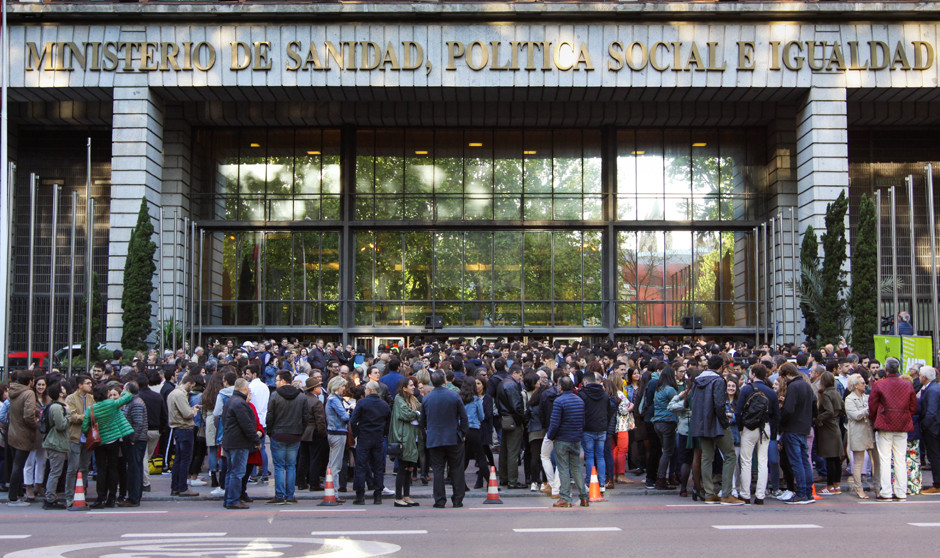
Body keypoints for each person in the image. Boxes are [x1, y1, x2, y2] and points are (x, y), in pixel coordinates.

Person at [690, 355, 742, 505]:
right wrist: (724, 421)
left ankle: (709, 493)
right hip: (717, 424)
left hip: (701, 424)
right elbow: (719, 404)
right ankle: (726, 493)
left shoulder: (698, 380)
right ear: (721, 367)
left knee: (707, 457)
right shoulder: (718, 380)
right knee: (730, 455)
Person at [869, 357, 917, 500]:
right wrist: (905, 415)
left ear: (886, 369)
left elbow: (872, 406)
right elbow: (913, 406)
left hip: (885, 423)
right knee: (900, 459)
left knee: (884, 459)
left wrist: (875, 419)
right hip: (902, 424)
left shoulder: (879, 385)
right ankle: (901, 491)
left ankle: (886, 491)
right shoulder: (907, 385)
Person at [420, 371, 468, 508]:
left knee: (438, 470)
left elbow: (422, 421)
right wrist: (462, 432)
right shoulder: (454, 396)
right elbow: (464, 417)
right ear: (444, 381)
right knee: (456, 469)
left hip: (435, 438)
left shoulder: (427, 398)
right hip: (453, 437)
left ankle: (440, 499)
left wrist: (427, 432)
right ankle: (458, 499)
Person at [82, 384, 134, 508]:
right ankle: (111, 498)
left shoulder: (91, 409)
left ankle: (100, 498)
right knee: (113, 469)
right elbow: (128, 397)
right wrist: (124, 391)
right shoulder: (112, 403)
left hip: (99, 442)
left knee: (101, 470)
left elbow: (85, 427)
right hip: (114, 440)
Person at [735, 363, 779, 505]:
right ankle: (760, 495)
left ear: (753, 374)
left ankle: (745, 494)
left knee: (746, 460)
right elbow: (776, 415)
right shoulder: (771, 392)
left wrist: (741, 427)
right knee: (763, 461)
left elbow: (738, 411)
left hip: (749, 427)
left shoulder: (747, 389)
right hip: (765, 427)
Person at [266, 370, 309, 505]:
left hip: (278, 433)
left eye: (277, 380)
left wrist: (270, 430)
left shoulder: (275, 396)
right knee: (291, 466)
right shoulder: (301, 397)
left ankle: (280, 494)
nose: (276, 382)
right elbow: (305, 417)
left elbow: (270, 416)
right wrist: (301, 430)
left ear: (283, 381)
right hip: (295, 434)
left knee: (279, 466)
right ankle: (290, 495)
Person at [778, 362, 817, 504]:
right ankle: (807, 492)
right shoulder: (806, 385)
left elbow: (788, 410)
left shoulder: (793, 386)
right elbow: (814, 405)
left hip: (792, 428)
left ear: (787, 374)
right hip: (804, 427)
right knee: (805, 461)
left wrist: (781, 420)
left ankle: (800, 493)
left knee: (797, 462)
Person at [546, 376, 587, 508]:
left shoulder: (559, 401)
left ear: (560, 387)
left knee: (563, 468)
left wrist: (550, 436)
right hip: (576, 438)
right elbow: (583, 421)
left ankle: (565, 498)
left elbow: (555, 423)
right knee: (576, 468)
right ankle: (584, 497)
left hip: (562, 438)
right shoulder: (579, 400)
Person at [221, 378, 260, 510]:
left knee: (231, 472)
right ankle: (233, 499)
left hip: (229, 440)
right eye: (248, 387)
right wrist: (255, 439)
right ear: (244, 388)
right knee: (237, 472)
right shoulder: (240, 403)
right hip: (239, 442)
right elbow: (247, 425)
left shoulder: (230, 401)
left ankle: (229, 498)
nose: (249, 390)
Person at [350, 381, 391, 505]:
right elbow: (388, 422)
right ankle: (378, 496)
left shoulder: (362, 403)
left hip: (364, 437)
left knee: (361, 466)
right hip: (378, 437)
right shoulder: (384, 404)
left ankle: (360, 496)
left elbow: (353, 421)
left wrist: (357, 433)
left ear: (369, 390)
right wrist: (383, 433)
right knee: (378, 467)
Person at [6, 370, 38, 506]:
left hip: (13, 431)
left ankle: (17, 493)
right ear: (30, 381)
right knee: (19, 465)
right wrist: (35, 424)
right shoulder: (28, 393)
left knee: (16, 464)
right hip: (24, 433)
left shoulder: (13, 391)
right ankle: (13, 496)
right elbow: (28, 415)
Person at [167, 374, 201, 497]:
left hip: (177, 428)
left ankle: (175, 486)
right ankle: (182, 487)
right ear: (188, 383)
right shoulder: (180, 395)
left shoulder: (172, 393)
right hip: (184, 429)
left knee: (178, 459)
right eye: (191, 386)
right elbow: (187, 414)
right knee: (185, 459)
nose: (191, 389)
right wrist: (194, 411)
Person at [389, 377, 421, 507]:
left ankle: (407, 495)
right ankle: (398, 497)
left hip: (413, 437)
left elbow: (419, 410)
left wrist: (416, 413)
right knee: (402, 468)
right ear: (404, 388)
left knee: (410, 468)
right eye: (411, 385)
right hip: (404, 438)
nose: (414, 387)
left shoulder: (413, 399)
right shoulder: (399, 399)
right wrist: (417, 414)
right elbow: (406, 414)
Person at [64, 374, 94, 509]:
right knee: (72, 468)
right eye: (87, 383)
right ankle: (69, 496)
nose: (90, 385)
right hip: (74, 437)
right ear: (80, 385)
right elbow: (71, 416)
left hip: (88, 438)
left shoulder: (91, 398)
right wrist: (86, 417)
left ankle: (82, 492)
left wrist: (85, 417)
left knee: (84, 467)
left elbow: (95, 414)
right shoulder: (70, 398)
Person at [580, 371, 613, 491]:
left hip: (588, 428)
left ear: (586, 382)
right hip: (602, 428)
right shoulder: (604, 395)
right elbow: (609, 410)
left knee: (589, 456)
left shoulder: (583, 395)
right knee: (600, 456)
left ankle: (589, 482)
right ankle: (602, 483)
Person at [845, 373, 876, 499]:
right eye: (862, 383)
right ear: (855, 386)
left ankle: (878, 487)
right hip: (858, 432)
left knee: (876, 461)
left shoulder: (867, 397)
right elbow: (855, 415)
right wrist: (868, 410)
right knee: (858, 462)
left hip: (869, 431)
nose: (865, 385)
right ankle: (859, 488)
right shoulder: (850, 399)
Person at [40, 382, 69, 510]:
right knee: (55, 471)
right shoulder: (57, 408)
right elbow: (61, 425)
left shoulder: (53, 406)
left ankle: (50, 496)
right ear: (59, 394)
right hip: (56, 442)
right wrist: (68, 414)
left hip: (54, 441)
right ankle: (50, 498)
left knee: (55, 471)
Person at [120, 380, 149, 507]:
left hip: (136, 441)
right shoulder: (131, 402)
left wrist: (133, 439)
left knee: (135, 468)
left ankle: (134, 497)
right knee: (134, 468)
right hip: (134, 440)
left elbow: (138, 423)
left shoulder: (136, 403)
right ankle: (133, 495)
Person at [815, 371, 845, 495]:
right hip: (835, 427)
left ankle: (830, 485)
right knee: (836, 458)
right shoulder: (837, 393)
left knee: (830, 459)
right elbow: (842, 409)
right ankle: (837, 485)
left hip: (827, 429)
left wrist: (817, 419)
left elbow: (829, 411)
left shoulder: (826, 394)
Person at [496, 365, 525, 488]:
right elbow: (517, 406)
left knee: (504, 450)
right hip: (513, 419)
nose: (521, 378)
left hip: (504, 418)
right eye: (520, 375)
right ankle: (512, 480)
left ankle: (504, 478)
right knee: (513, 451)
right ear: (515, 373)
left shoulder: (502, 383)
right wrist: (521, 419)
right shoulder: (512, 385)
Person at [298, 377, 327, 492]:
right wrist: (323, 434)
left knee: (303, 458)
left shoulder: (302, 399)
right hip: (314, 432)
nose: (320, 388)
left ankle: (301, 482)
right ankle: (314, 483)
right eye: (319, 386)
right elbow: (320, 420)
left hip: (303, 432)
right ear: (314, 389)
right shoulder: (317, 402)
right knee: (315, 459)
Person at [325, 375, 350, 499]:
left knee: (332, 464)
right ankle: (333, 493)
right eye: (342, 386)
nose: (343, 389)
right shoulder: (334, 399)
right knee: (335, 465)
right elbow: (345, 417)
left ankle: (331, 491)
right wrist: (349, 412)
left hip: (333, 432)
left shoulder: (331, 399)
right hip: (338, 433)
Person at [461, 376, 488, 491]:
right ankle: (490, 482)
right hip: (474, 429)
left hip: (462, 430)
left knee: (464, 457)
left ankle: (460, 482)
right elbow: (482, 416)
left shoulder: (459, 398)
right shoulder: (476, 399)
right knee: (481, 456)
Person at [246, 366, 271, 483]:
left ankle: (253, 474)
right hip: (264, 419)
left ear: (254, 374)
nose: (246, 375)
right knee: (262, 448)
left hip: (254, 420)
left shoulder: (250, 387)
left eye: (248, 373)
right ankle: (264, 473)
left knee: (253, 447)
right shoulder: (265, 387)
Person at [918, 366, 940, 494]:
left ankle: (937, 485)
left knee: (934, 456)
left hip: (933, 428)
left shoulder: (932, 390)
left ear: (924, 377)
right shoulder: (935, 388)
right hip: (935, 426)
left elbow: (931, 412)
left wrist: (923, 426)